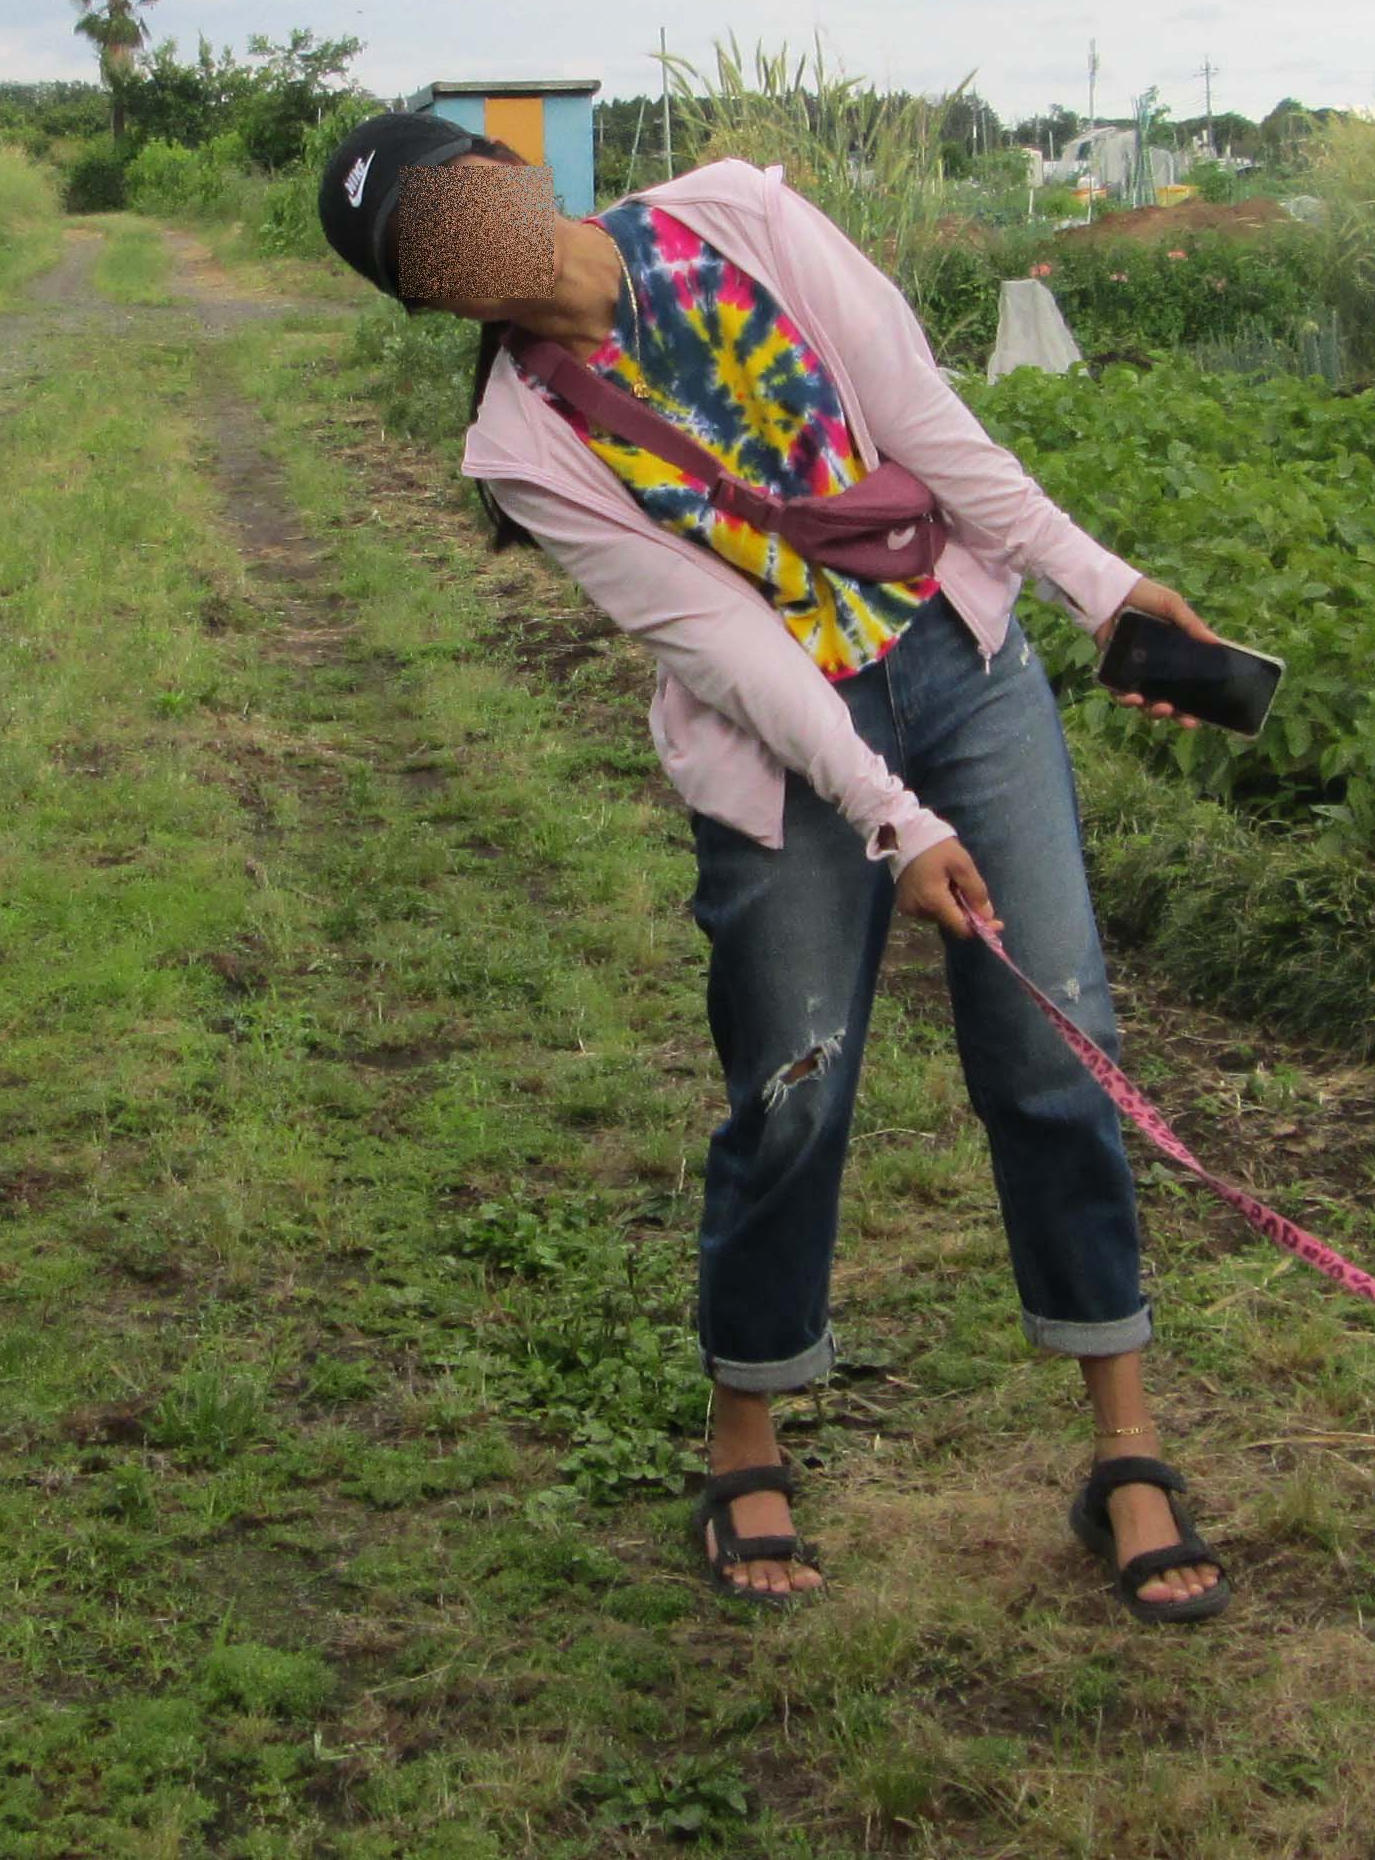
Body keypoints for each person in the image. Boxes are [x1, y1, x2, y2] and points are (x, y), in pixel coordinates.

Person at [315, 113, 1231, 1620]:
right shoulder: (522, 447)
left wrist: (1104, 587)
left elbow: (928, 426)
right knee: (793, 1083)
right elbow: (723, 644)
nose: (471, 249)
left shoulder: (739, 216)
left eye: (459, 204)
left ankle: (1126, 1451)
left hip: (961, 665)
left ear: (513, 173)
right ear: (432, 299)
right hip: (790, 740)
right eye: (427, 255)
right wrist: (893, 817)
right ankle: (745, 1435)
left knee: (1059, 1044)